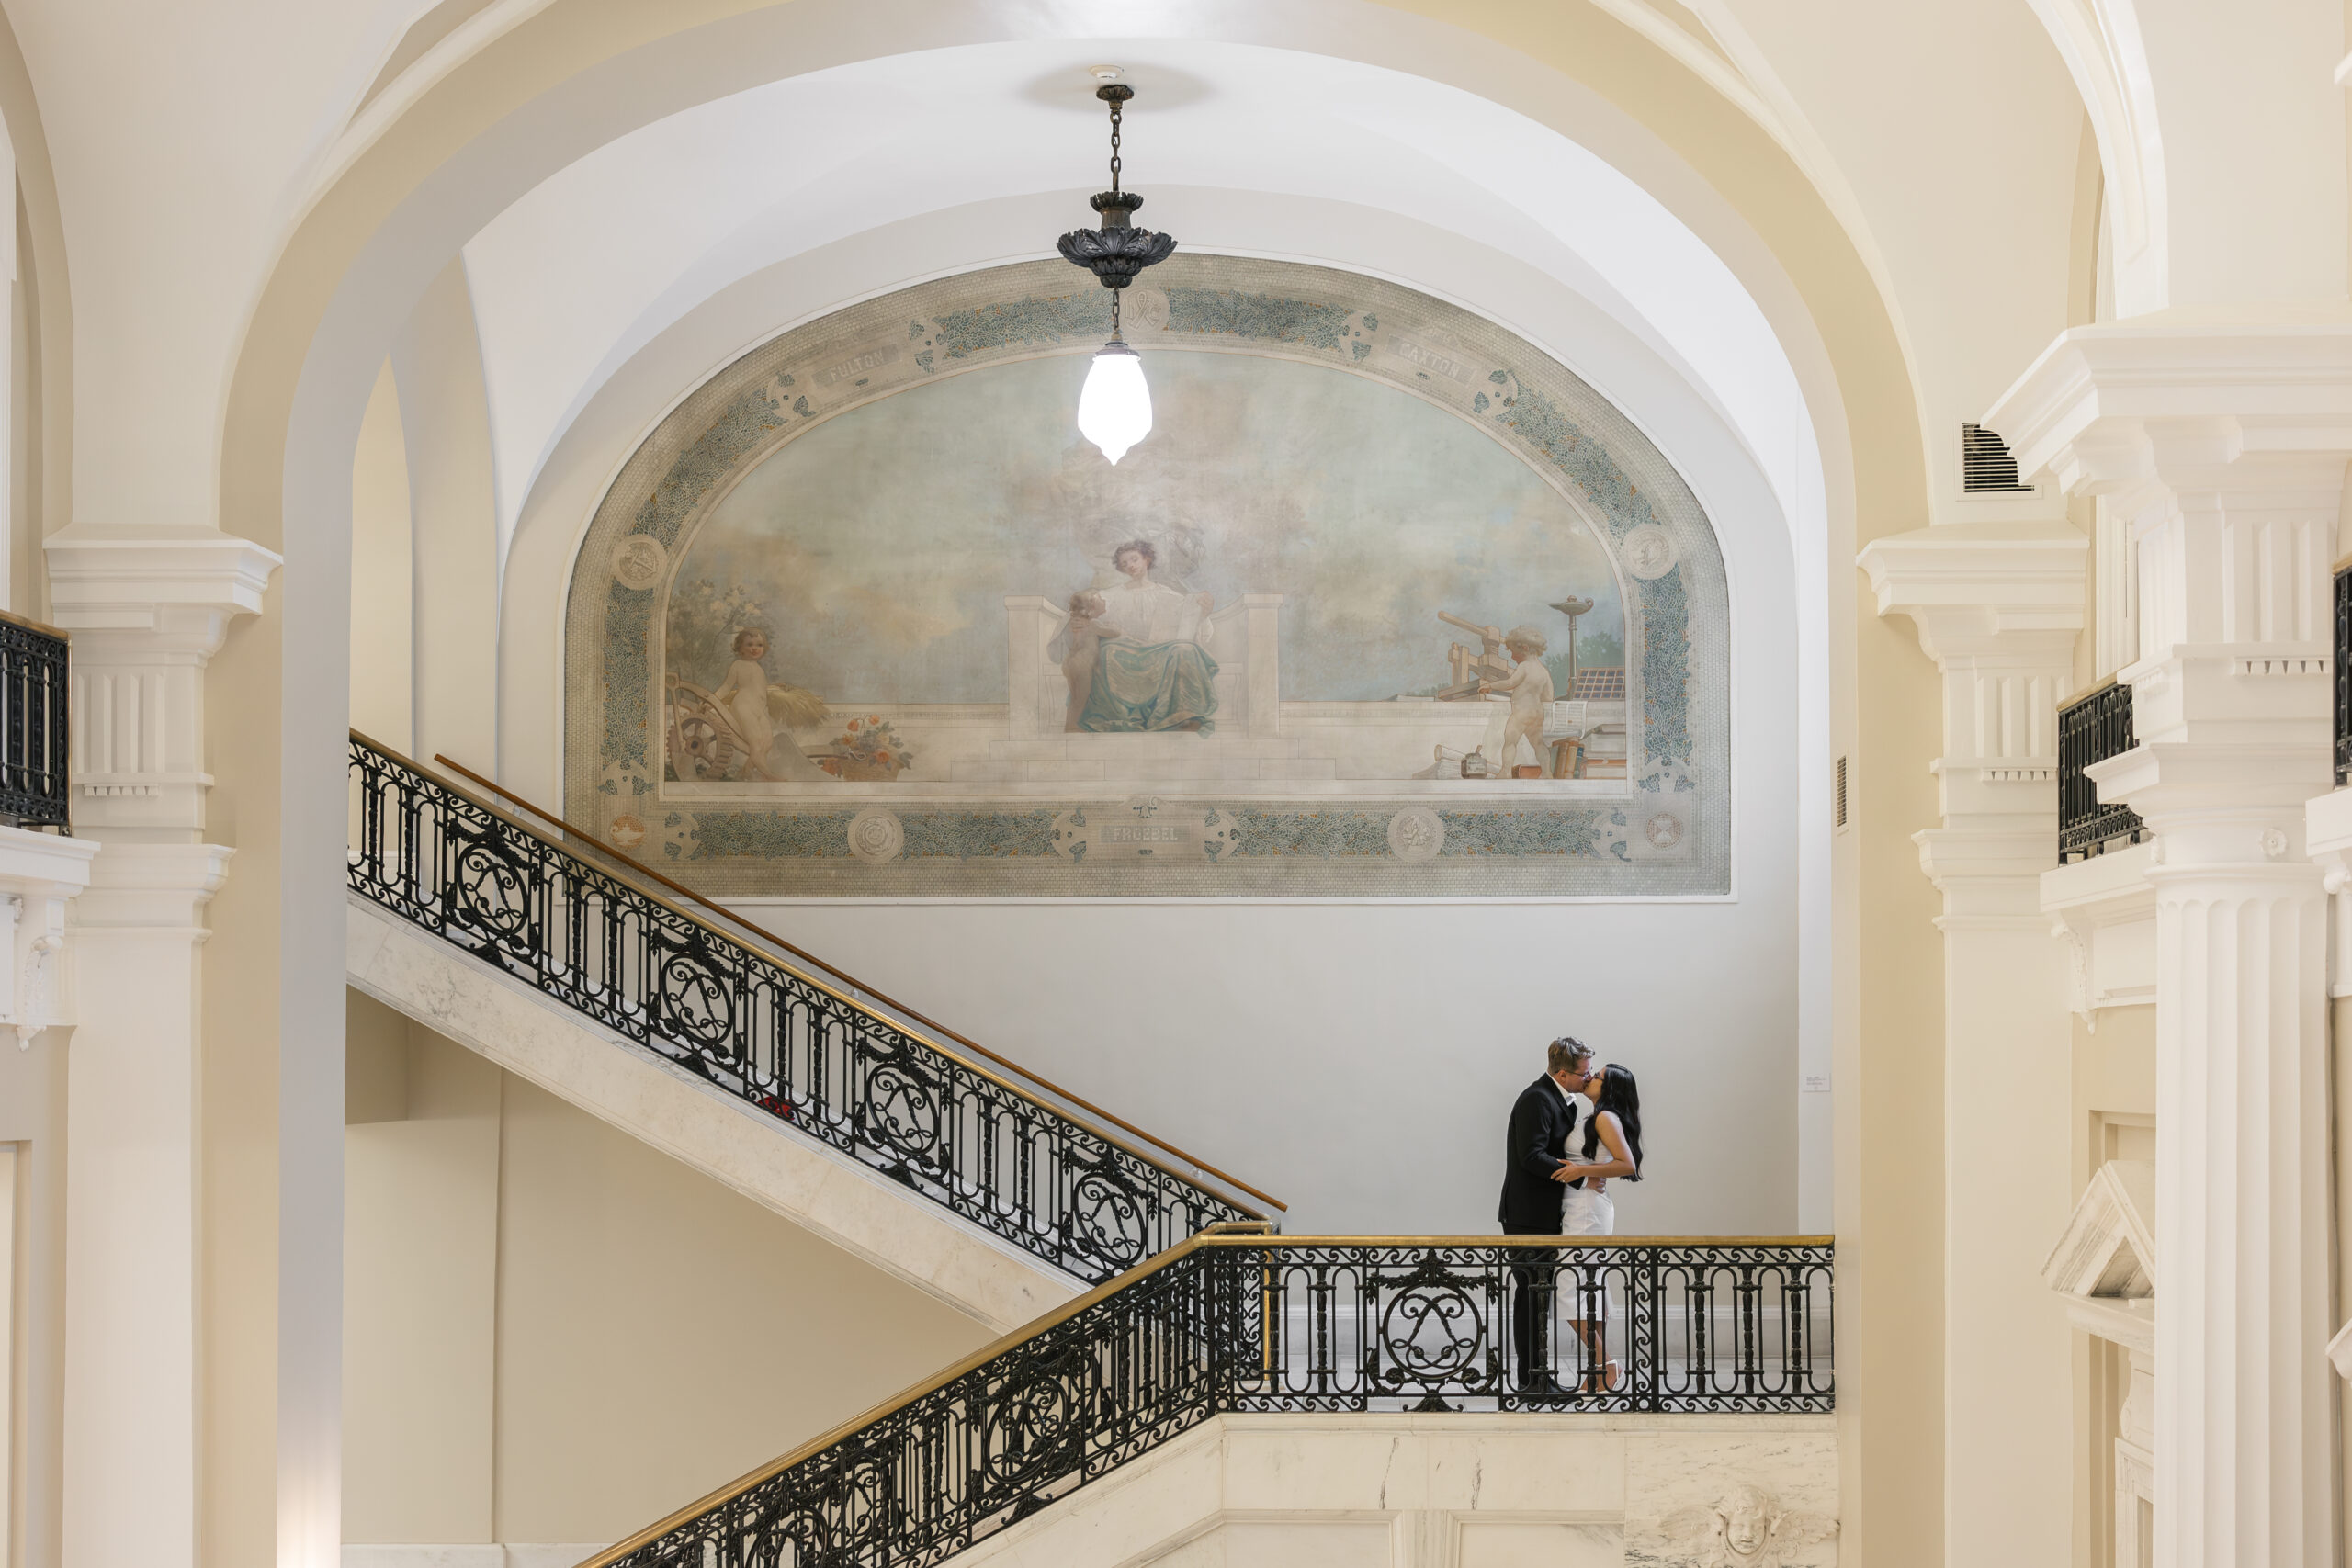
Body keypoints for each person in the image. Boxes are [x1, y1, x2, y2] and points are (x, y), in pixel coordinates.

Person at [1496, 1037, 1597, 1395]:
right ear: (1561, 1073)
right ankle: (1530, 1379)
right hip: (1527, 1215)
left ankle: (1537, 1374)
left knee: (1540, 1295)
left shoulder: (1562, 1099)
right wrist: (1583, 1174)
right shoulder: (1537, 1099)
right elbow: (1532, 1156)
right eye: (1583, 1074)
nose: (1587, 1079)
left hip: (1545, 1213)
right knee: (1530, 1297)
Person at [1074, 540, 1221, 734]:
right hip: (1125, 648)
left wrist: (1203, 609)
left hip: (1158, 649)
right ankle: (1123, 716)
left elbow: (1190, 616)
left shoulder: (1166, 594)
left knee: (1184, 650)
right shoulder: (1112, 595)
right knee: (1109, 650)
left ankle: (1182, 716)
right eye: (1125, 564)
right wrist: (1082, 619)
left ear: (1147, 559)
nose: (1131, 566)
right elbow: (1085, 608)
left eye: (1134, 559)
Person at [1557, 1062, 1644, 1392]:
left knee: (1570, 1289)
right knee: (1588, 1287)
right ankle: (1599, 1370)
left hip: (1586, 1212)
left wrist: (1581, 1172)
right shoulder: (1596, 1116)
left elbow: (1626, 1164)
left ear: (1610, 1089)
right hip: (1583, 1207)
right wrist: (1586, 1172)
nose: (1591, 1077)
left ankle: (1607, 1367)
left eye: (1600, 1076)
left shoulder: (1606, 1118)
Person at [1479, 625, 1555, 774]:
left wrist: (1490, 685)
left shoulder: (1524, 667)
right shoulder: (1543, 671)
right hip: (1537, 713)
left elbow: (1510, 683)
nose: (1512, 656)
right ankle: (1547, 773)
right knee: (1539, 744)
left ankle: (1506, 772)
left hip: (1521, 712)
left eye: (1514, 652)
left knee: (1510, 742)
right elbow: (1548, 697)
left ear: (1525, 648)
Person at [1060, 590, 1123, 732]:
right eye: (1100, 598)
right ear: (1092, 607)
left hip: (1070, 662)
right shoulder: (1092, 624)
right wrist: (1115, 627)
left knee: (1075, 696)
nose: (1105, 600)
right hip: (1082, 664)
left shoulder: (1077, 622)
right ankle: (1072, 726)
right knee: (1081, 697)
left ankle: (1069, 725)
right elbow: (1114, 633)